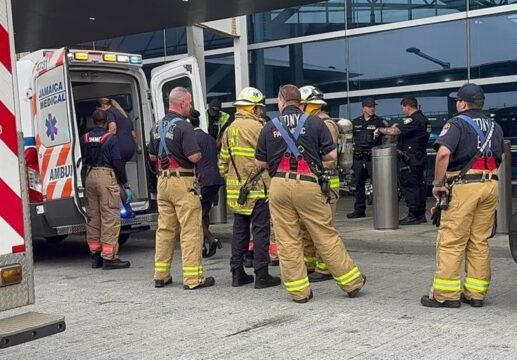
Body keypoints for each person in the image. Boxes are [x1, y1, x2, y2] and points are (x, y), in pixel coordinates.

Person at [255, 84, 366, 303]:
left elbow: (260, 161)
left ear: (282, 101)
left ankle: (299, 293)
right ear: (301, 103)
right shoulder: (316, 122)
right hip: (307, 183)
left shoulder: (269, 126)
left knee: (287, 240)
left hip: (278, 184)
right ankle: (352, 283)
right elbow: (331, 155)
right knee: (324, 234)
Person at [420, 83, 504, 308]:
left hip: (465, 186)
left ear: (463, 103)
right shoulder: (495, 126)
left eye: (458, 100)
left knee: (451, 240)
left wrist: (438, 184)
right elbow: (498, 158)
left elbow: (443, 154)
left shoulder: (456, 123)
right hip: (490, 184)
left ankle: (445, 295)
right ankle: (476, 294)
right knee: (479, 240)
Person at [148, 87, 215, 290]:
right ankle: (193, 279)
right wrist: (201, 154)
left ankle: (161, 275)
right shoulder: (184, 127)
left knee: (165, 229)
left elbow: (152, 156)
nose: (191, 107)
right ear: (182, 103)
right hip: (182, 182)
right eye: (190, 103)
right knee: (190, 229)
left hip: (163, 182)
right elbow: (194, 157)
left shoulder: (156, 126)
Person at [219, 87, 281, 289]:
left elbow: (223, 163)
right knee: (261, 231)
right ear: (253, 108)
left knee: (239, 231)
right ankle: (261, 274)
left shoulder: (228, 129)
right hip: (257, 189)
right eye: (259, 108)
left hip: (236, 192)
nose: (261, 112)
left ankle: (237, 273)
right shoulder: (260, 128)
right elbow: (271, 157)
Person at [81, 109, 131, 270]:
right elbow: (117, 162)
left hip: (89, 176)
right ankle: (109, 257)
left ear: (93, 121)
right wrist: (125, 183)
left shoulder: (85, 138)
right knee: (109, 216)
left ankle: (95, 254)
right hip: (105, 175)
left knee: (93, 216)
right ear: (106, 122)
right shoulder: (110, 138)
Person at [299, 85, 339, 282]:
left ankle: (325, 269)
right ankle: (309, 263)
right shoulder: (310, 122)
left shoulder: (326, 124)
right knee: (306, 226)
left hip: (327, 182)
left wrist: (308, 162)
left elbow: (331, 158)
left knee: (323, 227)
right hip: (312, 181)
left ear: (308, 104)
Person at [374, 96, 431, 225]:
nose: (403, 111)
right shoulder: (424, 119)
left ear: (408, 106)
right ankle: (420, 214)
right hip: (419, 157)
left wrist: (380, 130)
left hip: (410, 159)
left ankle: (414, 214)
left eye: (403, 108)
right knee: (419, 186)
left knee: (410, 186)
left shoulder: (414, 119)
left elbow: (395, 131)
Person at [188, 109, 224, 258]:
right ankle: (203, 245)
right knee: (204, 213)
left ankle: (210, 239)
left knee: (195, 215)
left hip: (202, 180)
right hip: (215, 179)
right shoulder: (209, 137)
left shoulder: (191, 139)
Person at [347, 97, 387, 219]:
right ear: (363, 108)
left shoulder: (379, 122)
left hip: (372, 158)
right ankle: (359, 210)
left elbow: (389, 135)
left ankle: (382, 211)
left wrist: (381, 130)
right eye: (369, 107)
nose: (372, 108)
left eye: (373, 106)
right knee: (358, 185)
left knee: (378, 185)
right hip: (359, 158)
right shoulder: (356, 122)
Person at [97, 98, 142, 164]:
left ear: (103, 106)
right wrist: (138, 147)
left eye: (98, 110)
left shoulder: (109, 112)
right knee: (120, 170)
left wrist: (102, 144)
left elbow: (113, 129)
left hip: (119, 149)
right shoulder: (124, 113)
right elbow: (133, 134)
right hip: (129, 149)